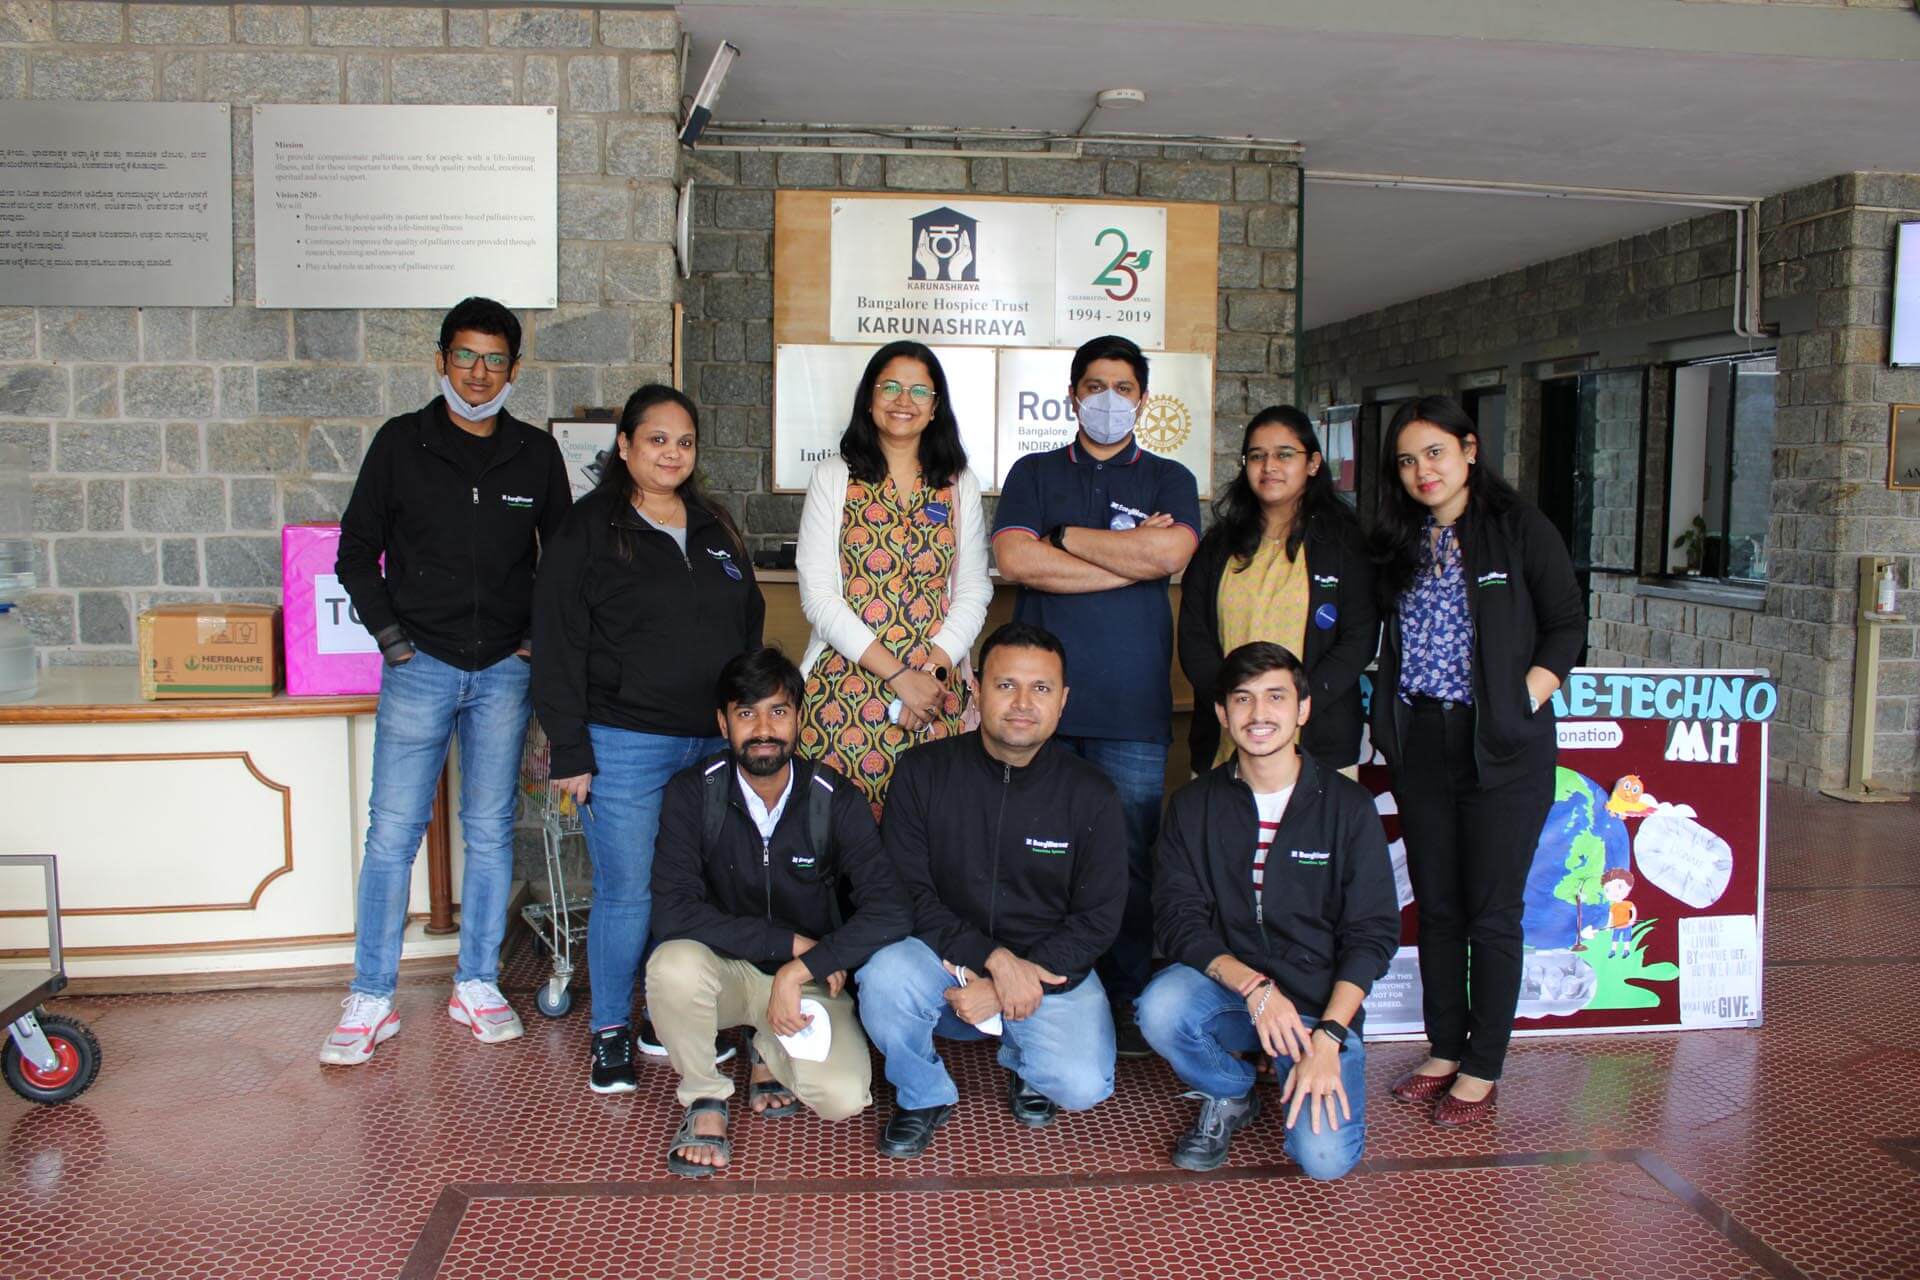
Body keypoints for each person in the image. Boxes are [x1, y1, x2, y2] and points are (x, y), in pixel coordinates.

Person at [320, 296, 570, 1066]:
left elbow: (560, 563)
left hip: (502, 674)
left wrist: (532, 641)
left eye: (494, 359)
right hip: (419, 666)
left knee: (491, 832)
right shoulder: (401, 444)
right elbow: (355, 553)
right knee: (391, 834)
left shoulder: (533, 453)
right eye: (464, 356)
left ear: (514, 370)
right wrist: (392, 639)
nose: (478, 372)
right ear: (440, 360)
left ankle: (477, 983)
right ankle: (370, 997)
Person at [531, 384, 765, 1093]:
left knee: (688, 888)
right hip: (624, 741)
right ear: (625, 446)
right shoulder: (587, 528)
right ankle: (609, 1032)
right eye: (656, 438)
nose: (672, 452)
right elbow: (557, 642)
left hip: (710, 744)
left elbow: (746, 623)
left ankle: (666, 1021)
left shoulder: (715, 524)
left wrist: (742, 722)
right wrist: (570, 748)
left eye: (684, 441)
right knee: (628, 892)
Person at [1369, 395, 1584, 1126]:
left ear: (1468, 449)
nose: (1421, 471)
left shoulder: (1518, 528)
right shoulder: (1403, 538)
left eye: (1434, 453)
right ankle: (1443, 1047)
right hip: (1422, 741)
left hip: (1504, 748)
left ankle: (1483, 1063)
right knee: (1438, 906)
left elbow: (1566, 623)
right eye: (1406, 460)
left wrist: (1525, 695)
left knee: (1492, 911)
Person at [991, 334, 1201, 1056]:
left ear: (1142, 397)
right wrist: (1128, 560)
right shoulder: (1035, 471)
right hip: (1033, 709)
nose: (1107, 399)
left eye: (1122, 386)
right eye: (1094, 386)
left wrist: (1068, 539)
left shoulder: (1169, 478)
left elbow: (1171, 554)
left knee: (1129, 858)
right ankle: (1032, 993)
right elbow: (1017, 559)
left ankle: (1126, 997)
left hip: (1131, 708)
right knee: (1026, 852)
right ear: (1073, 393)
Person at [857, 622, 1128, 1159]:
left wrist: (1009, 983)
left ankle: (1022, 1058)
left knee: (1082, 1084)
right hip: (944, 956)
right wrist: (989, 960)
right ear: (976, 691)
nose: (1023, 703)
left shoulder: (1090, 793)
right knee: (883, 977)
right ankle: (923, 1093)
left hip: (1045, 965)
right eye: (1006, 685)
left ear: (1063, 700)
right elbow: (905, 892)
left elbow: (1096, 920)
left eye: (1041, 689)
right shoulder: (923, 772)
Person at [1137, 642, 1398, 1178]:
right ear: (1222, 714)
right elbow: (1177, 920)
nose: (1259, 715)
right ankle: (1231, 1092)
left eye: (1276, 697)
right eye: (1243, 699)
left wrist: (1328, 1037)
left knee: (1323, 1160)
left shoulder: (1348, 807)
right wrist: (1256, 990)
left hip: (1317, 1012)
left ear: (1302, 710)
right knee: (1160, 1006)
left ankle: (1297, 1066)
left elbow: (1372, 935)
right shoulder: (1194, 805)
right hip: (1235, 995)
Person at [647, 648, 911, 1177]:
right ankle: (705, 1098)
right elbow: (673, 913)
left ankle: (764, 1044)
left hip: (808, 980)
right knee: (671, 965)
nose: (763, 728)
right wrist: (789, 945)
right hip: (722, 973)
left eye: (778, 711)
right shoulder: (692, 793)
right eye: (746, 713)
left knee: (842, 1099)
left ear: (799, 719)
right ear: (723, 722)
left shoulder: (832, 798)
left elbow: (892, 908)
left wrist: (802, 968)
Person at [797, 340, 992, 819]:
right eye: (890, 387)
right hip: (844, 689)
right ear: (869, 398)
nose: (904, 400)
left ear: (935, 407)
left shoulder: (958, 482)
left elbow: (973, 589)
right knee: (839, 847)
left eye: (919, 391)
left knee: (932, 841)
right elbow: (819, 598)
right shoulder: (834, 477)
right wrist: (900, 677)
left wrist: (931, 676)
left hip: (937, 693)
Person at [1179, 406, 1377, 774]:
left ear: (1313, 463)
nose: (1269, 466)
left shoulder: (1344, 543)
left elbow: (1359, 636)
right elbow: (1194, 633)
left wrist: (1297, 705)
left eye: (1284, 454)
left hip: (1319, 733)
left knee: (1316, 831)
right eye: (1257, 456)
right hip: (1227, 734)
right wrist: (1232, 701)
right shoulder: (1219, 544)